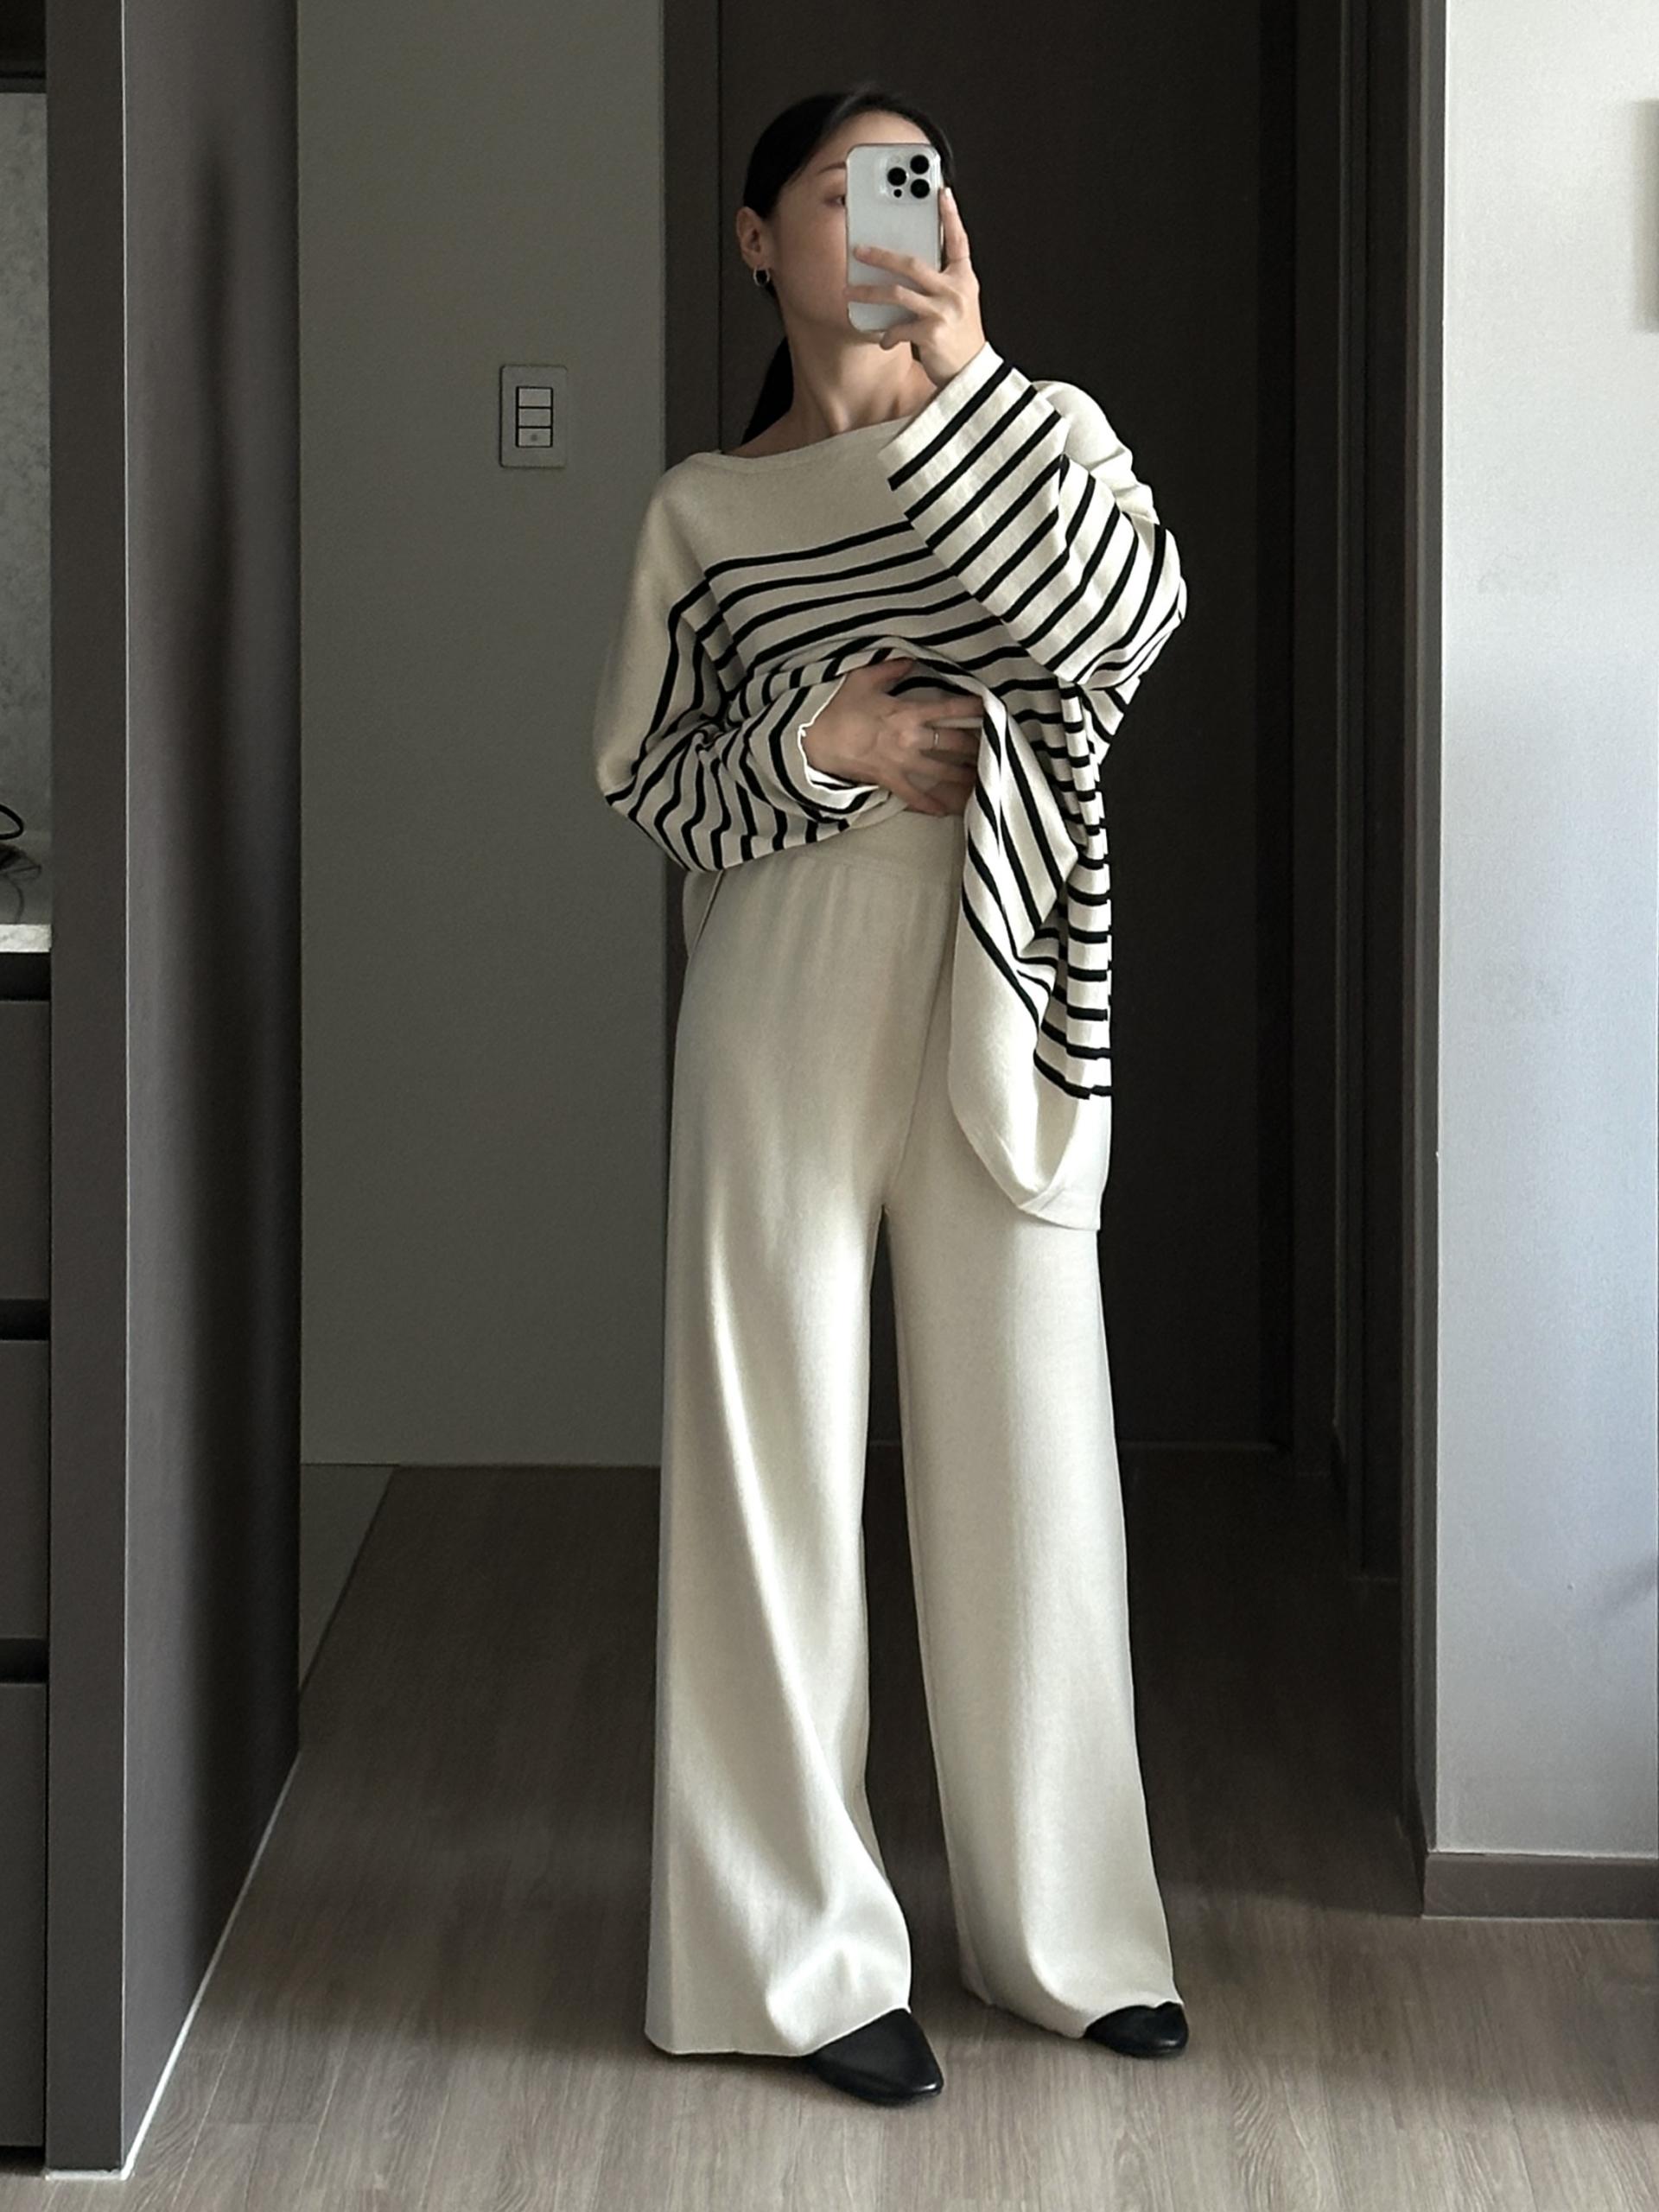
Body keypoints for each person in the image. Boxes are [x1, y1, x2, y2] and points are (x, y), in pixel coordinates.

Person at [590, 82, 1191, 2107]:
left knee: (1033, 1447)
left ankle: (1068, 1931)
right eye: (844, 191)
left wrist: (971, 385)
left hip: (1000, 967)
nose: (885, 222)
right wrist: (820, 744)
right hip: (781, 972)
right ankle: (789, 1957)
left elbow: (1123, 628)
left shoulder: (1040, 432)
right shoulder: (701, 508)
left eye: (916, 186)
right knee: (764, 1462)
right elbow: (651, 785)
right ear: (759, 239)